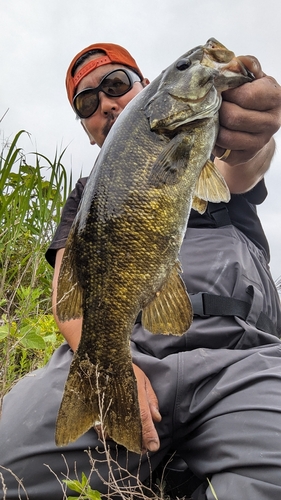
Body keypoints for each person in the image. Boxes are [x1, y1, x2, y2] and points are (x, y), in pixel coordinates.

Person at [1, 41, 281, 500]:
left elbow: (245, 168)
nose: (106, 103)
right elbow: (68, 296)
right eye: (88, 102)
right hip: (133, 351)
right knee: (8, 463)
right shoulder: (86, 196)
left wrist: (254, 131)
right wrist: (114, 366)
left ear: (147, 87)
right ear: (89, 129)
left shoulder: (206, 151)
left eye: (116, 84)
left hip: (239, 353)